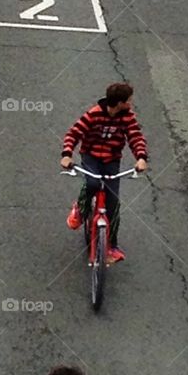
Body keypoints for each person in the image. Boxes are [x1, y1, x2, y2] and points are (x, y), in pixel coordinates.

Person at [61, 82, 147, 264]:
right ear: (119, 103)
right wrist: (67, 155)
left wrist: (141, 157)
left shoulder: (127, 117)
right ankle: (81, 209)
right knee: (92, 183)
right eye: (128, 101)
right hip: (91, 156)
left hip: (111, 160)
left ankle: (111, 246)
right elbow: (73, 134)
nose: (131, 103)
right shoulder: (93, 114)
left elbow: (135, 136)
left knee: (113, 203)